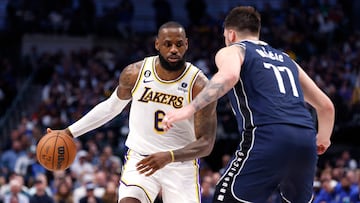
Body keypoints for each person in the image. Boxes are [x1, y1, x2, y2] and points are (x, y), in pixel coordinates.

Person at [163, 6, 335, 203]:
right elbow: (326, 106)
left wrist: (189, 109)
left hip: (268, 134)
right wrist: (323, 139)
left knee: (225, 196)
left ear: (231, 34)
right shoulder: (288, 60)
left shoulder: (235, 50)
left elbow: (229, 75)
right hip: (305, 139)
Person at [47, 21, 217, 203]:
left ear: (186, 44)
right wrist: (69, 132)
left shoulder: (199, 85)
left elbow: (206, 143)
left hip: (179, 165)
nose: (173, 49)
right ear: (157, 44)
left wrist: (170, 156)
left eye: (179, 44)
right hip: (140, 159)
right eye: (168, 44)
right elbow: (110, 107)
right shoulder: (135, 73)